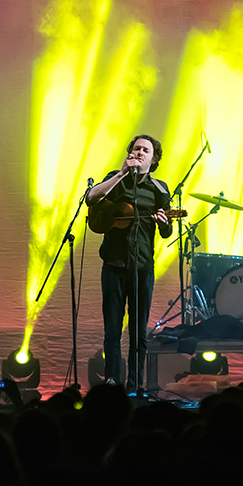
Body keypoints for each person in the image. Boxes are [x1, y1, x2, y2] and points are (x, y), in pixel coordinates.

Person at [87, 135, 172, 390]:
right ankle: (112, 383)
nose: (139, 152)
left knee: (138, 333)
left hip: (142, 267)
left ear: (153, 159)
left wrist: (164, 224)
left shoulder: (159, 189)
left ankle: (135, 386)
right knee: (112, 331)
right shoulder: (115, 178)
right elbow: (91, 198)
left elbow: (166, 231)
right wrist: (122, 173)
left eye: (145, 150)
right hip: (113, 265)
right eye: (136, 148)